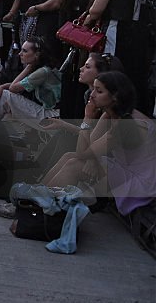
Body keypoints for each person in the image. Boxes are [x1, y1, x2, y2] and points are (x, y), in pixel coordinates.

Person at [38, 71, 155, 213]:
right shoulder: (110, 113)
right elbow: (91, 143)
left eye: (99, 91)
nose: (92, 95)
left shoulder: (126, 123)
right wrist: (92, 159)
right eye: (93, 89)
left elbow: (83, 152)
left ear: (115, 97)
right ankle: (33, 199)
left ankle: (38, 208)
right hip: (123, 171)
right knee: (70, 156)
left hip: (141, 185)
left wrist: (87, 118)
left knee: (74, 165)